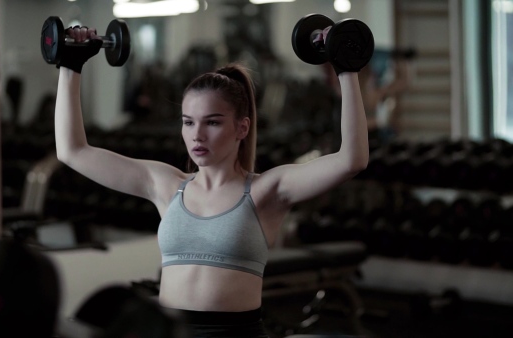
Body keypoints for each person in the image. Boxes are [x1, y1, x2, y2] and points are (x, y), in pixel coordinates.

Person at [54, 24, 368, 337]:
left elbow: (351, 160)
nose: (197, 135)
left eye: (213, 122)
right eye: (188, 122)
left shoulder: (266, 191)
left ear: (242, 128)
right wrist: (71, 66)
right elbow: (73, 151)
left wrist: (345, 69)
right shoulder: (166, 185)